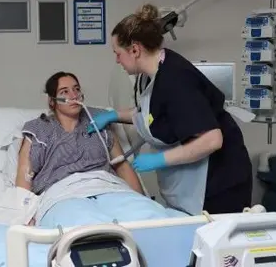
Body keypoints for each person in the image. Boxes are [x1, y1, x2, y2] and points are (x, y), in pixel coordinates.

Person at [87, 4, 253, 215]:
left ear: (135, 50)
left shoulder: (176, 80)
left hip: (219, 182)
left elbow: (212, 139)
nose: (116, 60)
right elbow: (153, 113)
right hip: (194, 181)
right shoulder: (155, 71)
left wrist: (159, 160)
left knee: (212, 243)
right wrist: (114, 115)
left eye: (118, 53)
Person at [15, 71, 187, 228]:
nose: (73, 95)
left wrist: (140, 198)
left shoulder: (97, 120)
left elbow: (121, 164)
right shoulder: (38, 129)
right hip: (63, 194)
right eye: (64, 92)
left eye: (76, 89)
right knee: (88, 228)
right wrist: (26, 215)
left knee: (150, 218)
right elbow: (25, 175)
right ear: (52, 101)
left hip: (108, 187)